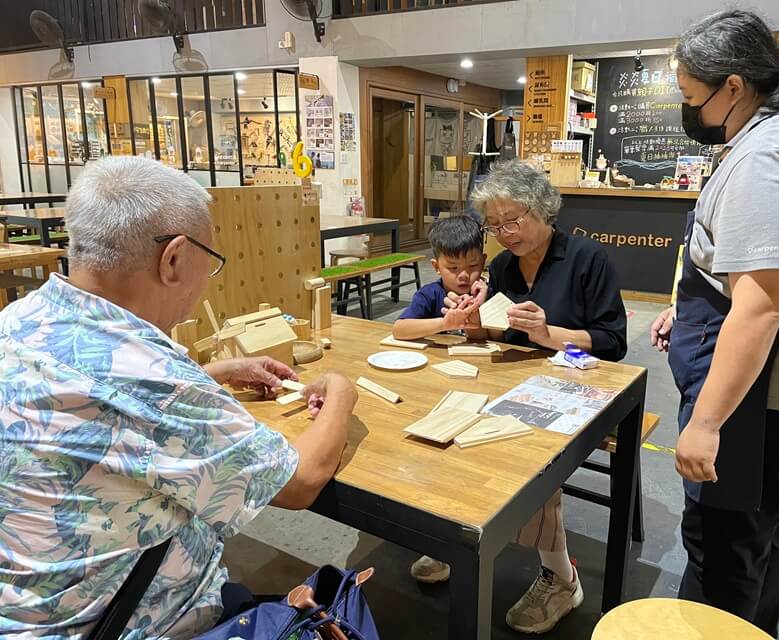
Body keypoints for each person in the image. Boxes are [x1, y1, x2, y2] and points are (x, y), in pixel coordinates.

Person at [0, 157, 358, 639]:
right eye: (208, 261)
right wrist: (341, 391)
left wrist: (211, 372)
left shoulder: (19, 320)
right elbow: (300, 481)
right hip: (133, 623)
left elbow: (101, 400)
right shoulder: (155, 379)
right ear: (173, 258)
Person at [649, 10, 779, 637]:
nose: (690, 111)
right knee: (762, 526)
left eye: (691, 97)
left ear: (733, 87)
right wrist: (686, 305)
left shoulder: (769, 157)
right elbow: (749, 276)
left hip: (758, 396)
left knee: (721, 550)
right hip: (774, 383)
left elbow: (763, 305)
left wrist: (706, 424)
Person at [437, 159, 628, 634]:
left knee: (528, 453)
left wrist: (549, 333)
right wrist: (470, 321)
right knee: (448, 414)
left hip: (578, 389)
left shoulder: (587, 259)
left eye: (513, 220)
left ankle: (562, 577)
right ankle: (456, 533)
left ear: (544, 210)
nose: (503, 233)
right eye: (494, 224)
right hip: (516, 383)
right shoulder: (502, 267)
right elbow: (500, 333)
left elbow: (613, 341)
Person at [392, 215, 487, 341]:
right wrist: (445, 323)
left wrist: (473, 316)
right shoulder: (429, 294)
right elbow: (399, 330)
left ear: (483, 262)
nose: (464, 275)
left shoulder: (487, 293)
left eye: (473, 265)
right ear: (437, 267)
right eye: (453, 268)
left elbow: (489, 340)